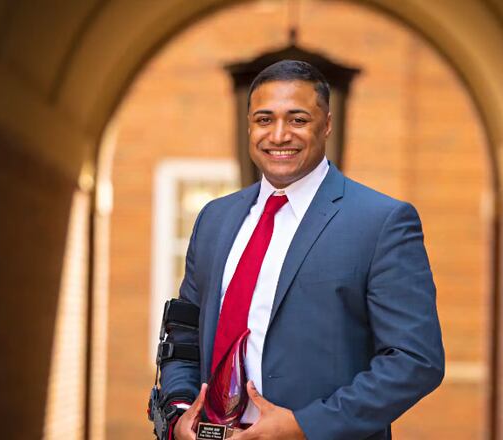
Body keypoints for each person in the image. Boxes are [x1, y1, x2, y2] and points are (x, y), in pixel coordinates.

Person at [160, 59, 444, 440]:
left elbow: (415, 360)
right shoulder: (214, 219)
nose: (278, 135)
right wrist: (178, 412)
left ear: (326, 124)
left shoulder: (381, 222)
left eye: (297, 120)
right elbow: (185, 336)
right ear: (249, 125)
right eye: (264, 119)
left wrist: (305, 426)